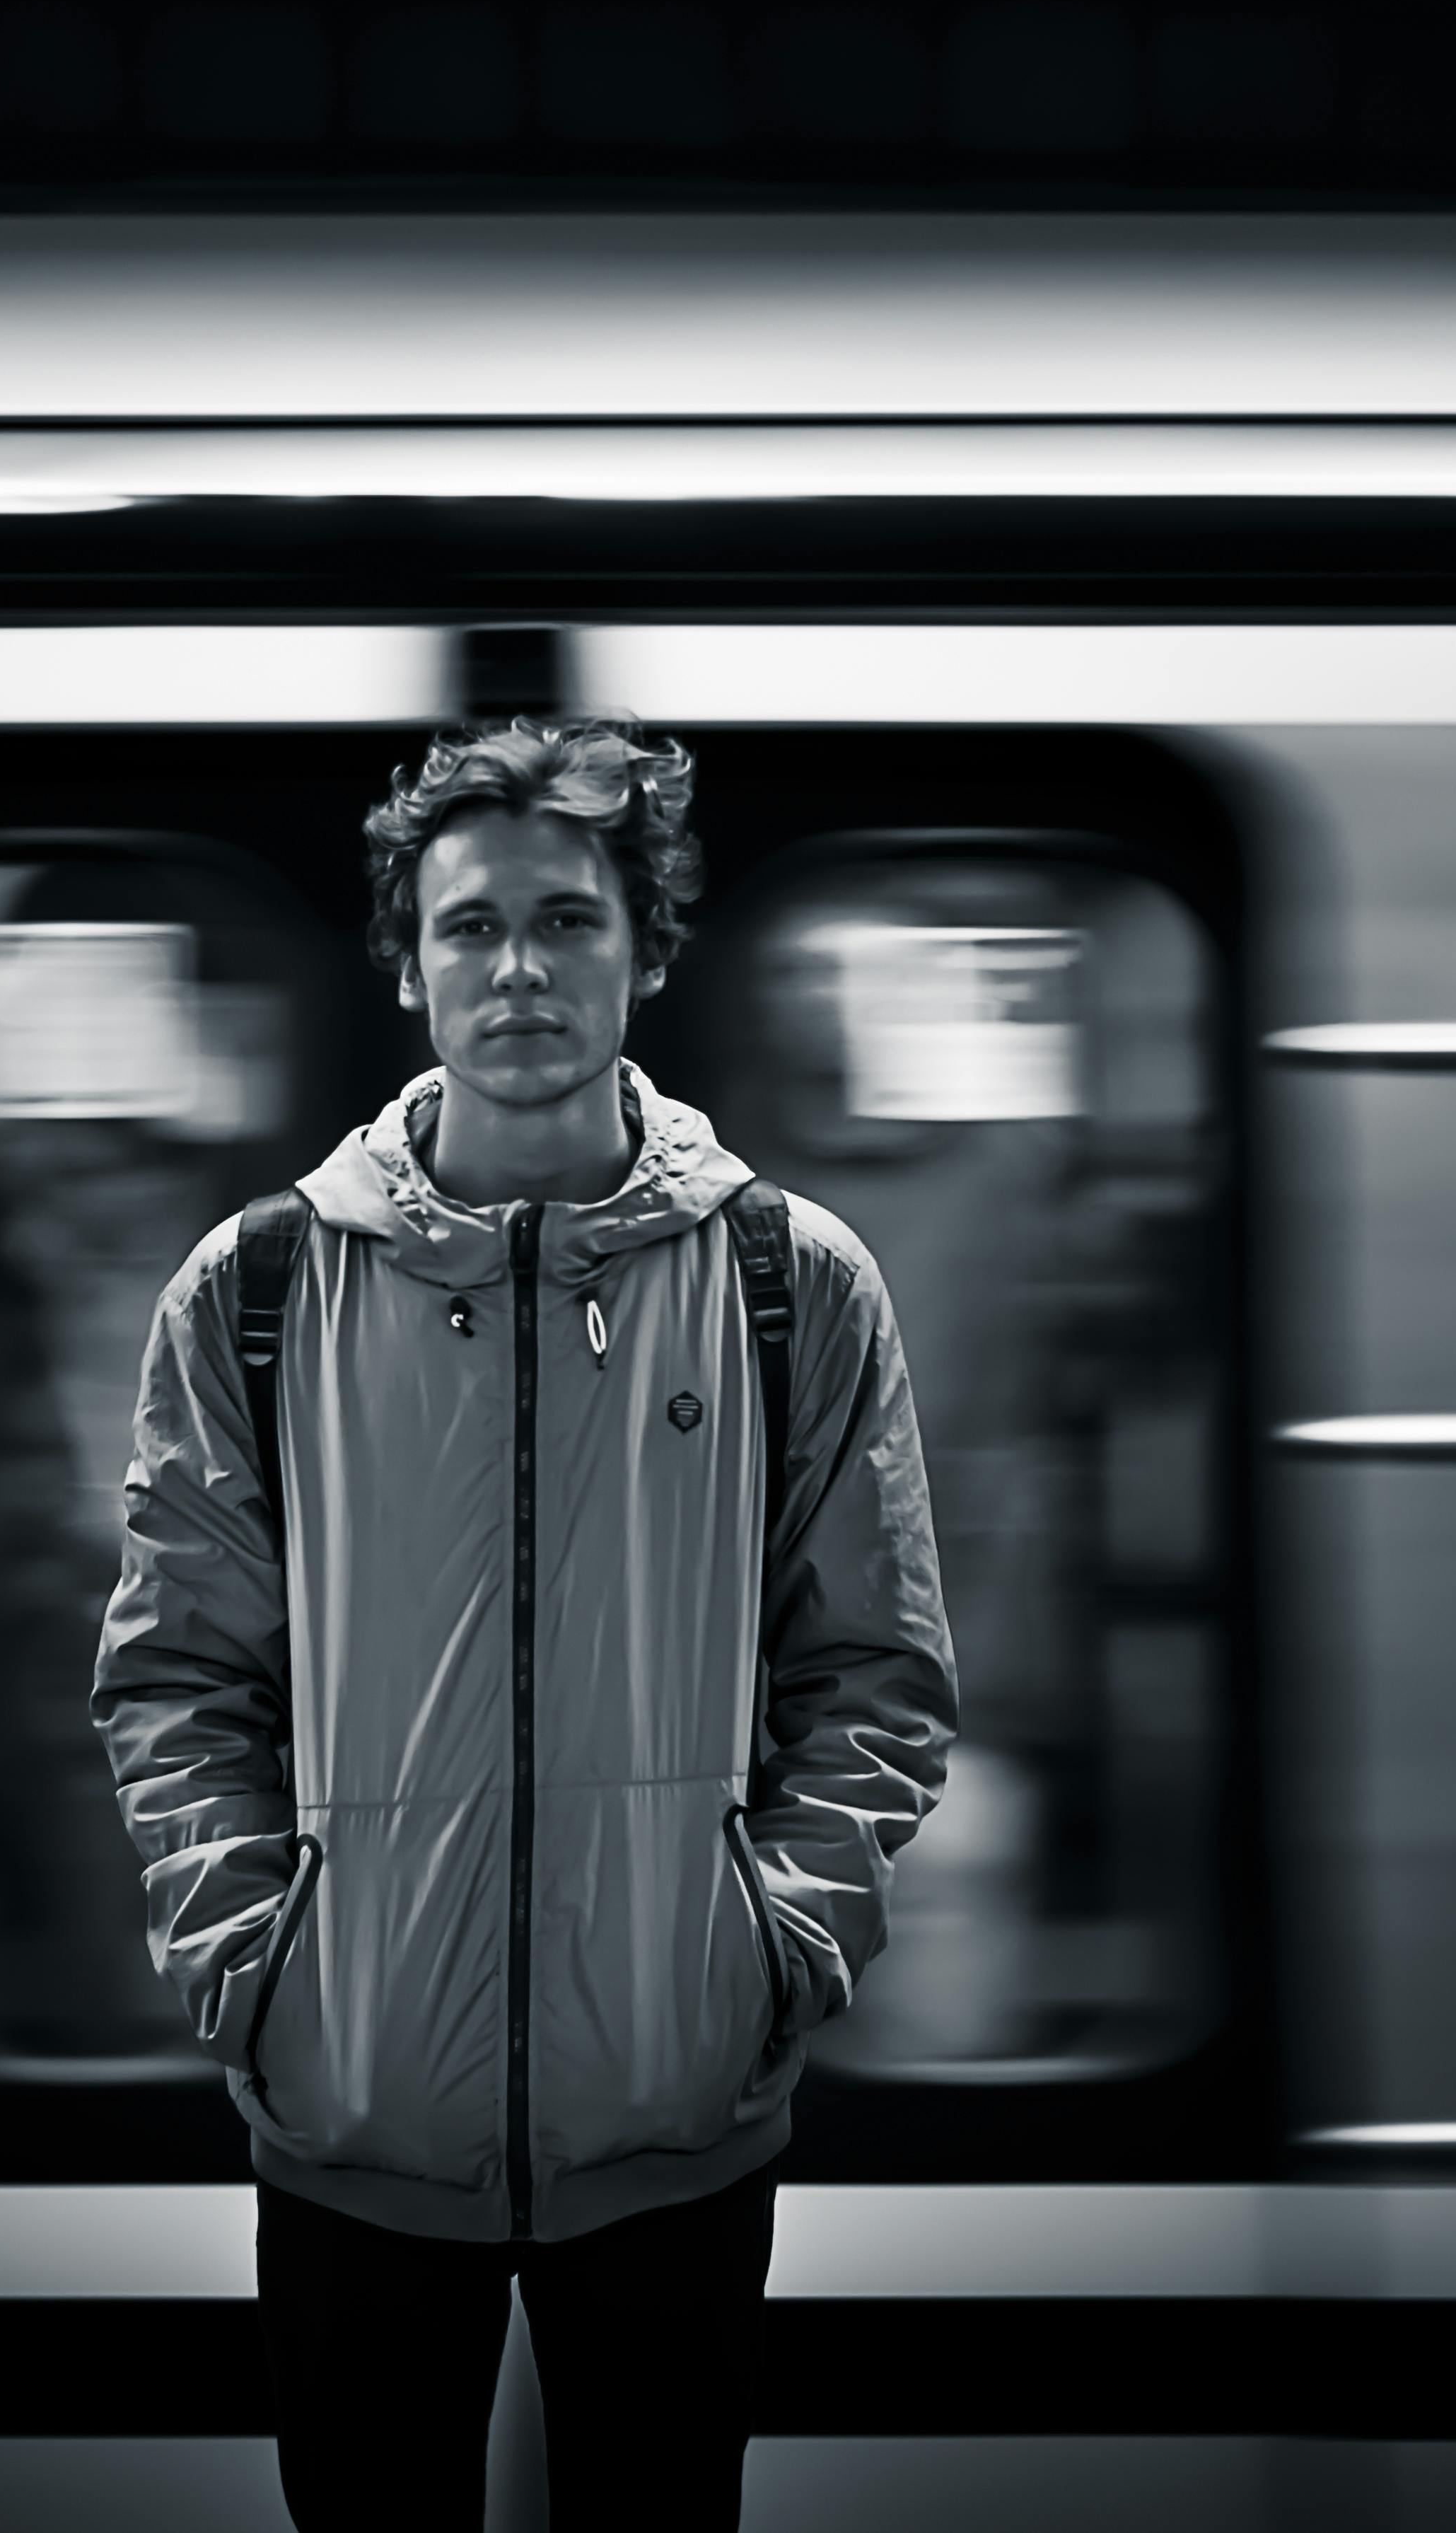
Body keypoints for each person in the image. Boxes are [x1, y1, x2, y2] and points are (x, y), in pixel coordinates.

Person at [92, 715, 958, 2530]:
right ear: (408, 967)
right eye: (470, 926)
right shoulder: (256, 1291)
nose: (517, 970)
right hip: (348, 2118)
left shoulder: (789, 1283)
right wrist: (258, 1968)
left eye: (566, 920)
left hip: (675, 2122)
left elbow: (873, 1673)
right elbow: (178, 1676)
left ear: (644, 950)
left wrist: (766, 1952)